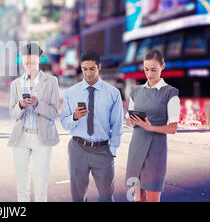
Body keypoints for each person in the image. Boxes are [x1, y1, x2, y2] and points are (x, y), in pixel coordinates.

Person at [60, 50, 123, 202]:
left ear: (99, 67)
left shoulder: (113, 93)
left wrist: (112, 151)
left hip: (103, 151)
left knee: (107, 196)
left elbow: (117, 125)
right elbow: (64, 123)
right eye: (84, 69)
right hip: (77, 148)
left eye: (92, 69)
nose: (88, 73)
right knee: (78, 197)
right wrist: (74, 117)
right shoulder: (71, 92)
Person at [7, 42, 60, 202]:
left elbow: (54, 113)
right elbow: (12, 114)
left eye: (33, 62)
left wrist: (37, 104)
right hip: (21, 137)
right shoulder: (16, 84)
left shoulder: (51, 81)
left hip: (42, 138)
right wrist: (21, 105)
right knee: (21, 186)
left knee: (40, 185)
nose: (29, 66)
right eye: (26, 63)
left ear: (39, 59)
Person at [125, 50, 180, 202]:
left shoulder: (170, 93)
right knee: (137, 198)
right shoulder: (136, 91)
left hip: (156, 151)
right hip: (136, 148)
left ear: (163, 66)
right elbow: (129, 121)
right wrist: (132, 121)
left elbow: (173, 128)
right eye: (146, 69)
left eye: (153, 69)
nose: (149, 74)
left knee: (152, 198)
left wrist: (150, 127)